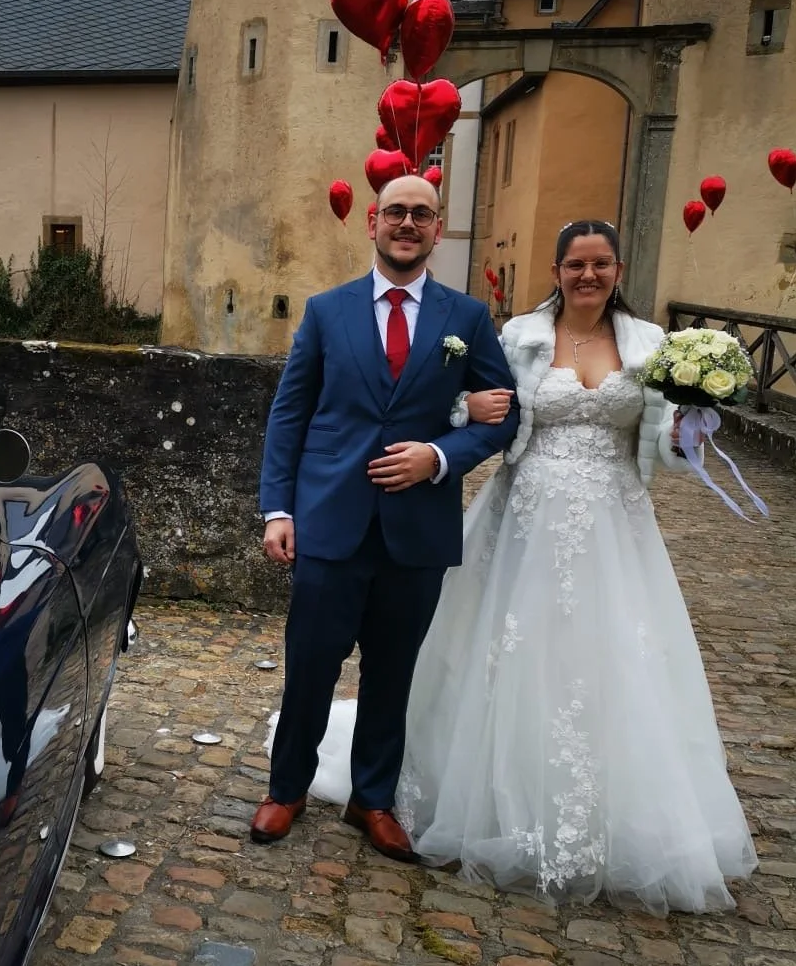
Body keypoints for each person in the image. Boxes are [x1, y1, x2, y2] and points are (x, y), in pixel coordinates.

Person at [308, 218, 757, 913]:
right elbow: (454, 404)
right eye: (575, 264)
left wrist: (686, 429)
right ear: (557, 271)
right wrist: (464, 407)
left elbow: (664, 449)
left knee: (609, 659)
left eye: (601, 264)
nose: (588, 275)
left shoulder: (649, 344)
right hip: (523, 515)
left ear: (618, 270)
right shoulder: (520, 335)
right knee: (505, 649)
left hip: (614, 524)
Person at [252, 175, 519, 859]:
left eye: (421, 214)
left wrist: (439, 455)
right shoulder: (326, 311)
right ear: (372, 221)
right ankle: (286, 789)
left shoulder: (467, 319)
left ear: (437, 228)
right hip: (329, 520)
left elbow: (502, 412)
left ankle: (373, 799)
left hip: (417, 528)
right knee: (310, 665)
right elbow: (290, 413)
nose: (408, 223)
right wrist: (278, 508)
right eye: (396, 211)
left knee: (393, 673)